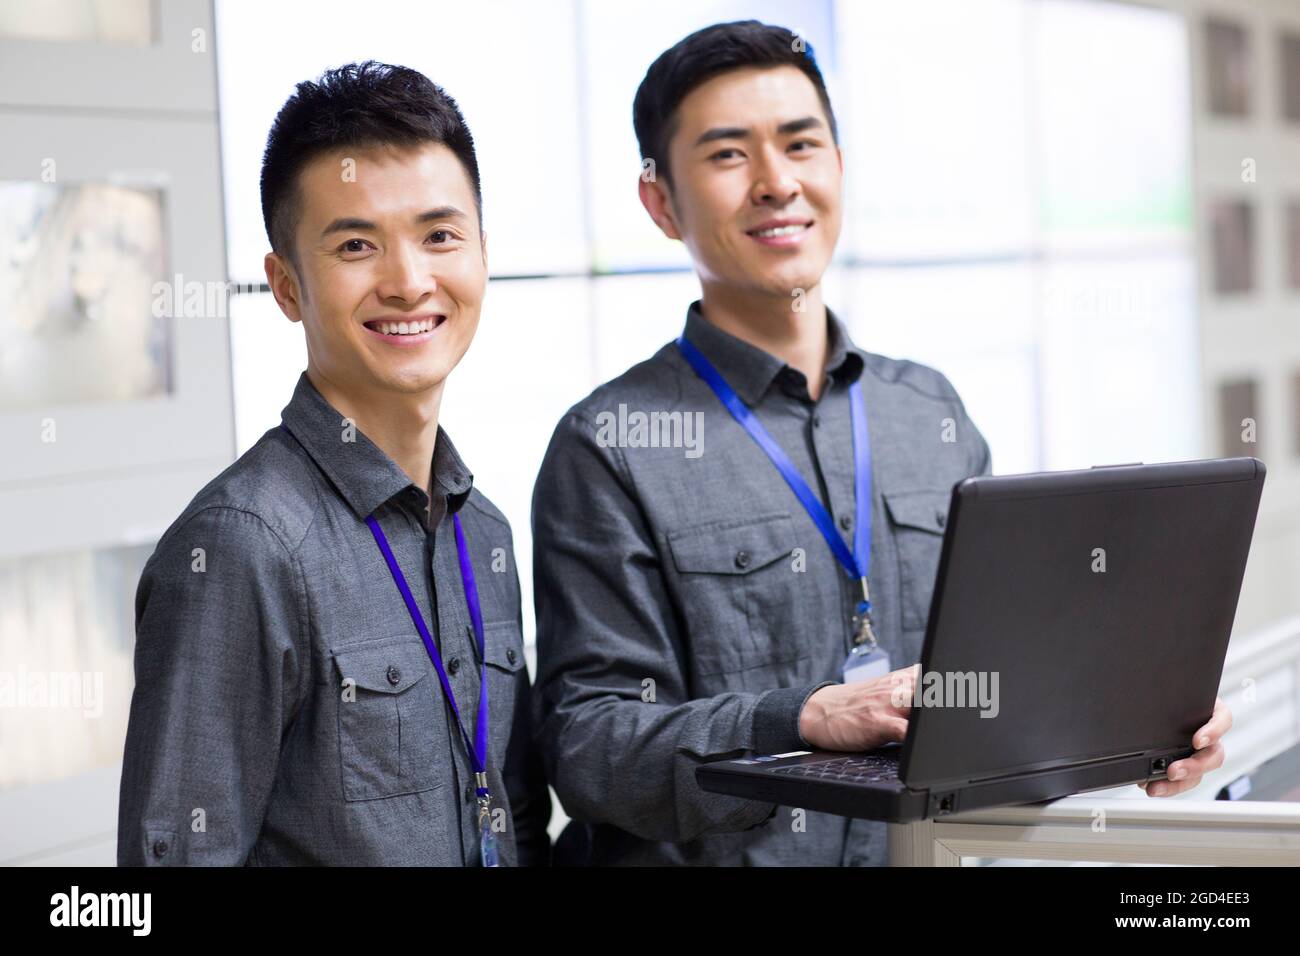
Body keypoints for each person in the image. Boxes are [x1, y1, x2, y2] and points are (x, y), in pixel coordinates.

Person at [531, 20, 1230, 866]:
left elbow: (998, 689)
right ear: (661, 203)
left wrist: (1138, 724)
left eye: (801, 144)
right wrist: (795, 718)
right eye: (727, 155)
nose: (776, 182)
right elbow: (591, 750)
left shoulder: (927, 412)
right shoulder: (609, 447)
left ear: (839, 167)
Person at [118, 61, 549, 866]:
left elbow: (514, 815)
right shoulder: (242, 547)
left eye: (440, 235)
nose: (409, 280)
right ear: (286, 286)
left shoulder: (480, 531)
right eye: (356, 244)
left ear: (483, 253)